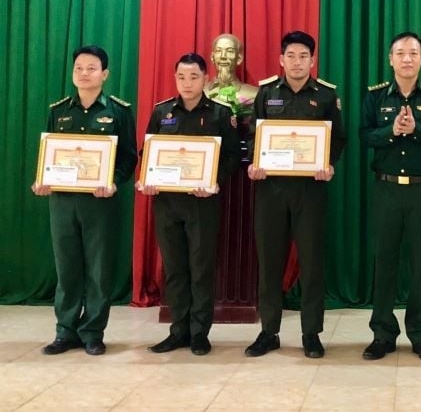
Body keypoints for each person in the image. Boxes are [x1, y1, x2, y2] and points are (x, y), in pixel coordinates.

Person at [245, 31, 346, 359]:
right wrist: (254, 164)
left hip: (310, 191)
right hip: (271, 190)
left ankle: (311, 333)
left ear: (312, 60)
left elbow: (338, 139)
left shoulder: (327, 96)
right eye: (291, 55)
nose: (297, 62)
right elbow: (254, 135)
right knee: (269, 262)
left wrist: (328, 163)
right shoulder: (266, 92)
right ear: (281, 59)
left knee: (312, 263)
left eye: (304, 56)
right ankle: (268, 331)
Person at [32, 45, 137, 356]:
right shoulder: (58, 110)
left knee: (98, 269)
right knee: (67, 268)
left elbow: (129, 157)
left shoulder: (118, 111)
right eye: (79, 68)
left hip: (99, 202)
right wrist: (43, 180)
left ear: (104, 74)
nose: (84, 73)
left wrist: (114, 183)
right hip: (62, 201)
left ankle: (92, 332)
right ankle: (65, 331)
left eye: (91, 68)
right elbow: (49, 154)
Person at [360, 31, 421, 363]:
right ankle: (382, 334)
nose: (407, 59)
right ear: (390, 59)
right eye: (400, 52)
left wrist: (418, 129)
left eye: (413, 53)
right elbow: (365, 135)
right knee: (383, 262)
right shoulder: (375, 97)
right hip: (386, 189)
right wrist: (391, 132)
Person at [140, 53, 240, 356]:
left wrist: (214, 180)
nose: (187, 83)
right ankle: (177, 330)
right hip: (167, 203)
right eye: (181, 77)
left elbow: (233, 156)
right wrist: (147, 178)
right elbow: (148, 153)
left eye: (194, 77)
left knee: (200, 268)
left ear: (205, 79)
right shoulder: (162, 113)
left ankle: (199, 332)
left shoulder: (221, 114)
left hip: (202, 203)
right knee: (174, 269)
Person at [204, 33, 258, 106]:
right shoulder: (201, 92)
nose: (223, 56)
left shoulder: (254, 94)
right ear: (212, 57)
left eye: (229, 51)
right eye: (218, 51)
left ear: (239, 59)